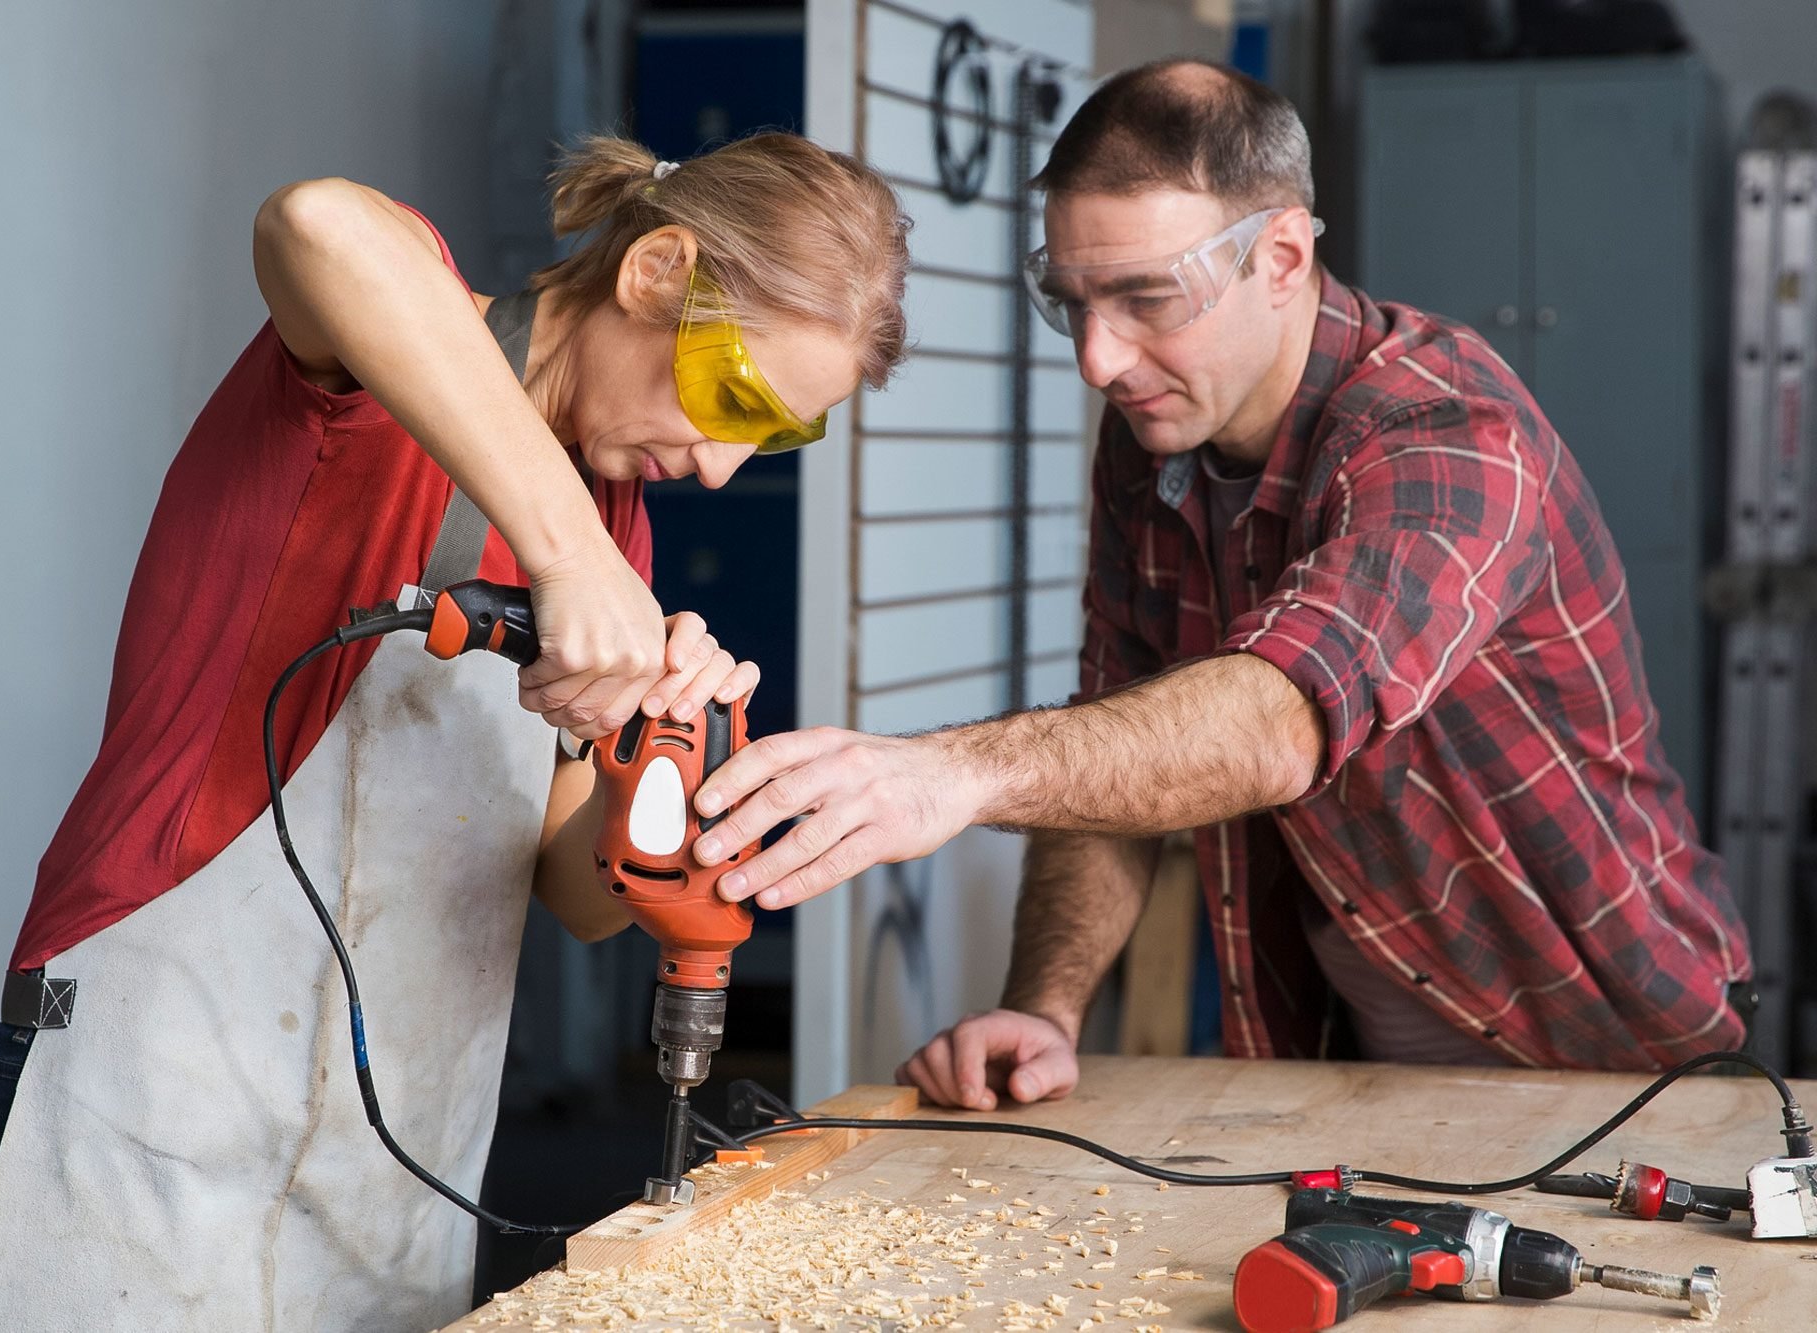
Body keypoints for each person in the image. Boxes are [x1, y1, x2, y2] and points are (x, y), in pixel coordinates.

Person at [0, 133, 910, 1331]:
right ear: (657, 271)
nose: (719, 468)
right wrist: (566, 558)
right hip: (154, 1115)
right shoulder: (376, 373)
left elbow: (574, 889)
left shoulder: (620, 545)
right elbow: (317, 225)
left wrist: (649, 777)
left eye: (773, 437)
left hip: (396, 1164)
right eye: (734, 397)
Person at [690, 60, 1753, 1107]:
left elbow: (1279, 717)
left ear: (1280, 257)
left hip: (1607, 1049)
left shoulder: (1444, 432)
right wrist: (1045, 1009)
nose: (1099, 361)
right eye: (1072, 303)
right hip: (1350, 1051)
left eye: (1147, 297)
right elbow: (1108, 753)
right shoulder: (1153, 436)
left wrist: (950, 774)